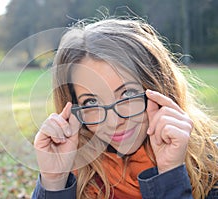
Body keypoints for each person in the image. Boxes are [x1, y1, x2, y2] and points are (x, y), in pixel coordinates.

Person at [31, 17, 218, 199]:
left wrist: (171, 174)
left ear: (159, 87)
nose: (114, 122)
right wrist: (54, 181)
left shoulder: (211, 167)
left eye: (127, 95)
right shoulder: (76, 173)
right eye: (91, 103)